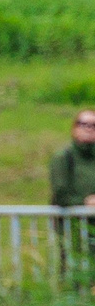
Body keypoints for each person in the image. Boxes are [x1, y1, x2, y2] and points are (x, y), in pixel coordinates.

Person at [52, 109, 95, 282]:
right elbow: (60, 194)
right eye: (83, 124)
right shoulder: (64, 157)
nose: (89, 129)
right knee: (73, 270)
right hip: (72, 226)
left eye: (93, 125)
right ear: (74, 128)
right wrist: (85, 203)